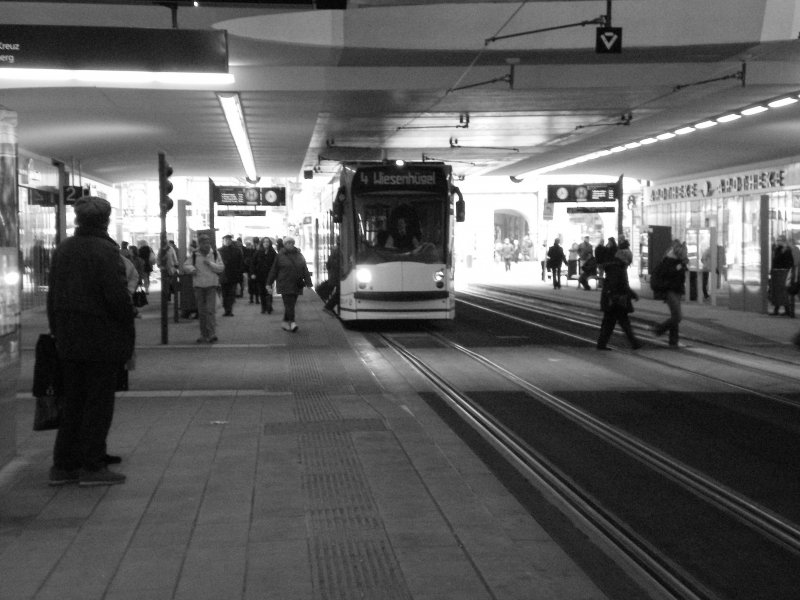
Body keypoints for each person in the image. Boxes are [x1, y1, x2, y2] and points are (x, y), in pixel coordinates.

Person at [47, 196, 135, 487]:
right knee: (98, 402)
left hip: (70, 338)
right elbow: (116, 296)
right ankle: (93, 465)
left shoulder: (64, 249)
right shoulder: (105, 251)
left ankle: (65, 464)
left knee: (74, 400)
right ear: (105, 220)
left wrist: (57, 332)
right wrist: (128, 327)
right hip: (101, 338)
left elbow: (52, 296)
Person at [597, 240, 642, 350]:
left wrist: (631, 294)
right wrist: (631, 294)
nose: (628, 264)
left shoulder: (616, 267)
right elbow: (620, 285)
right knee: (619, 322)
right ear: (625, 259)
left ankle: (602, 344)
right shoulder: (618, 269)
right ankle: (634, 343)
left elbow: (620, 285)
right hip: (616, 300)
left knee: (612, 323)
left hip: (613, 300)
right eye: (629, 262)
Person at [183, 233, 225, 343]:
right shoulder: (194, 255)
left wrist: (210, 264)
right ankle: (203, 334)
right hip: (199, 286)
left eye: (207, 242)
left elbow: (221, 268)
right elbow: (185, 265)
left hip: (211, 285)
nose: (206, 245)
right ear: (199, 244)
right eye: (203, 243)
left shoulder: (215, 254)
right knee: (201, 312)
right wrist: (192, 269)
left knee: (210, 311)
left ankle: (211, 334)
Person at [267, 236, 312, 332]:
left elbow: (304, 269)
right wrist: (269, 283)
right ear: (284, 244)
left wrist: (308, 283)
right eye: (288, 243)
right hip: (284, 283)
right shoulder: (280, 255)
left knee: (291, 305)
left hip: (296, 284)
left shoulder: (299, 255)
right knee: (289, 305)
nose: (290, 244)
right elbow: (274, 270)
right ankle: (292, 323)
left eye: (291, 243)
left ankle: (284, 322)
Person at [652, 240, 689, 347]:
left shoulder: (679, 261)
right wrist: (680, 266)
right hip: (669, 290)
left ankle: (673, 340)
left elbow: (680, 275)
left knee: (674, 316)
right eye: (684, 254)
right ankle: (659, 329)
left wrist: (683, 265)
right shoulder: (668, 261)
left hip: (677, 290)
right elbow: (669, 273)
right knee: (678, 316)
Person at [769, 234, 795, 317]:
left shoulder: (786, 250)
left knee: (782, 291)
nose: (777, 242)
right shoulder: (778, 249)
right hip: (778, 272)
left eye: (779, 240)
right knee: (780, 291)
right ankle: (784, 310)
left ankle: (782, 310)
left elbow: (779, 260)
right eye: (777, 240)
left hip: (783, 272)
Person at [219, 234, 244, 317]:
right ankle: (226, 309)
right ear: (223, 241)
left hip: (233, 275)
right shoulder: (219, 251)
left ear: (231, 241)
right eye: (226, 240)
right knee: (224, 293)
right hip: (223, 275)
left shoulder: (237, 251)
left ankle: (229, 309)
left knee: (231, 293)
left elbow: (240, 263)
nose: (227, 241)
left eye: (229, 240)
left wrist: (239, 273)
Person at [252, 237, 277, 314]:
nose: (266, 243)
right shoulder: (258, 252)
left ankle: (269, 306)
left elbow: (276, 264)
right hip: (260, 275)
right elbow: (253, 263)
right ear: (262, 243)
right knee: (262, 292)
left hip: (270, 275)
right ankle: (263, 307)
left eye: (267, 242)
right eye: (264, 242)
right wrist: (253, 273)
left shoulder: (273, 253)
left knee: (269, 291)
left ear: (270, 243)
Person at [244, 237, 259, 303]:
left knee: (251, 284)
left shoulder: (250, 250)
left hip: (251, 269)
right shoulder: (259, 249)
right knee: (256, 284)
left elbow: (246, 260)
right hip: (257, 269)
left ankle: (251, 298)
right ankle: (256, 299)